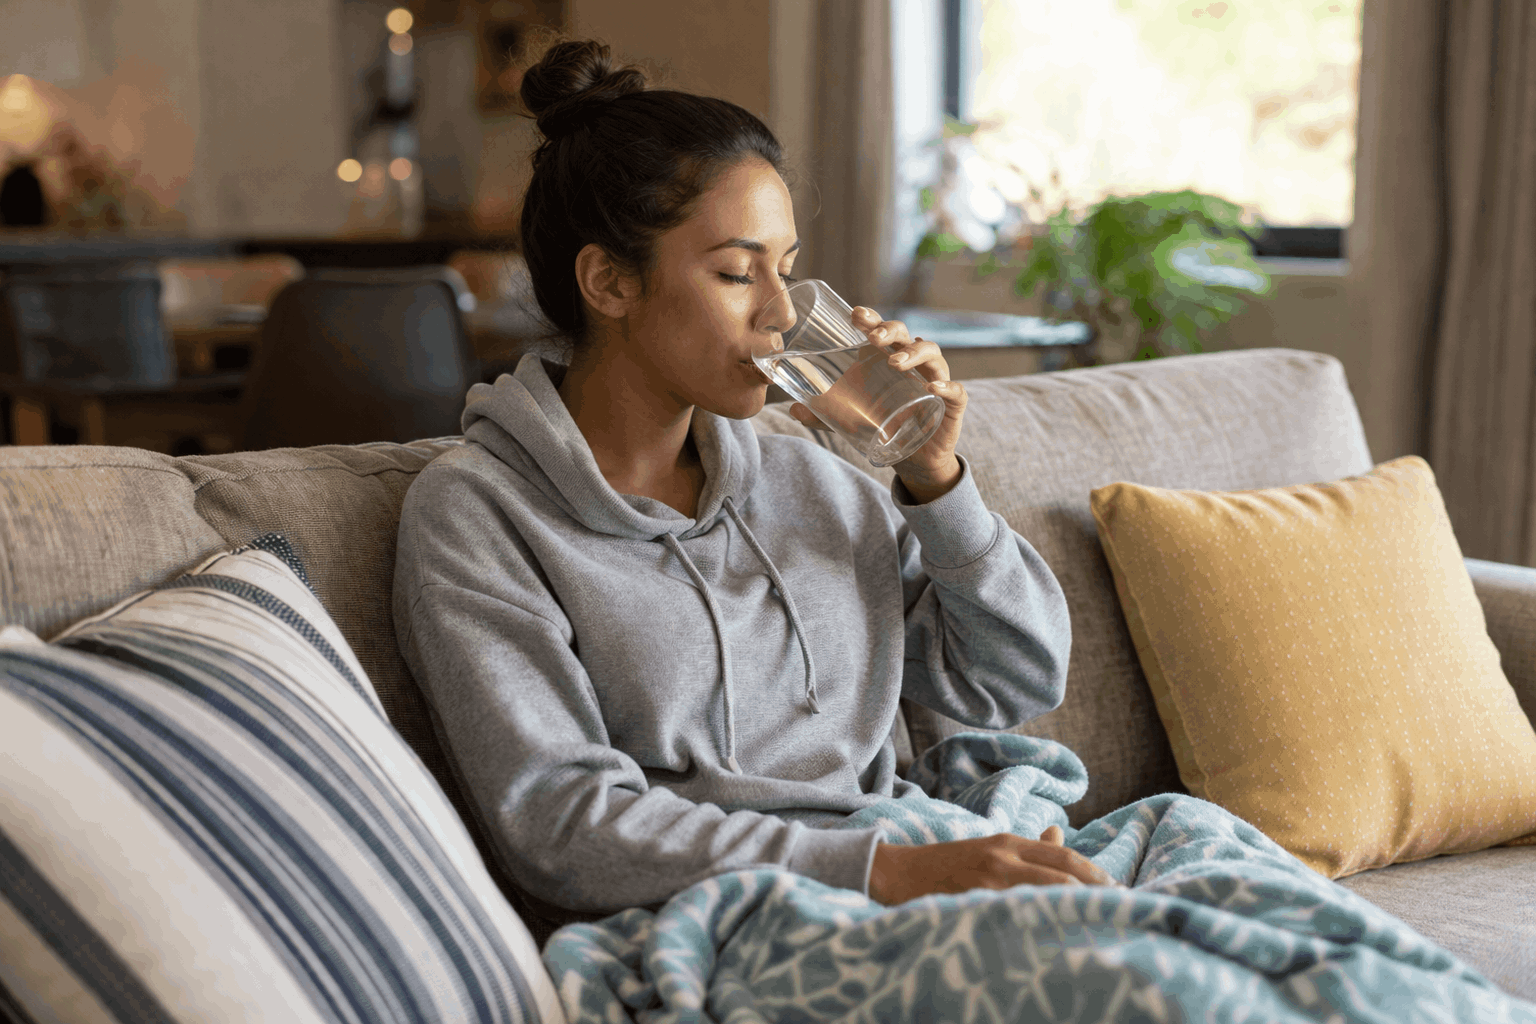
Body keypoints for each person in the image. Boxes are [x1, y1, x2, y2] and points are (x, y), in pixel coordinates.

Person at [392, 38, 1118, 926]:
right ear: (609, 281)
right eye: (738, 273)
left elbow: (1017, 678)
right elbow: (563, 826)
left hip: (917, 866)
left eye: (787, 266)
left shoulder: (814, 481)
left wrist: (936, 480)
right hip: (749, 921)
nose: (781, 313)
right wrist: (885, 873)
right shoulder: (480, 516)